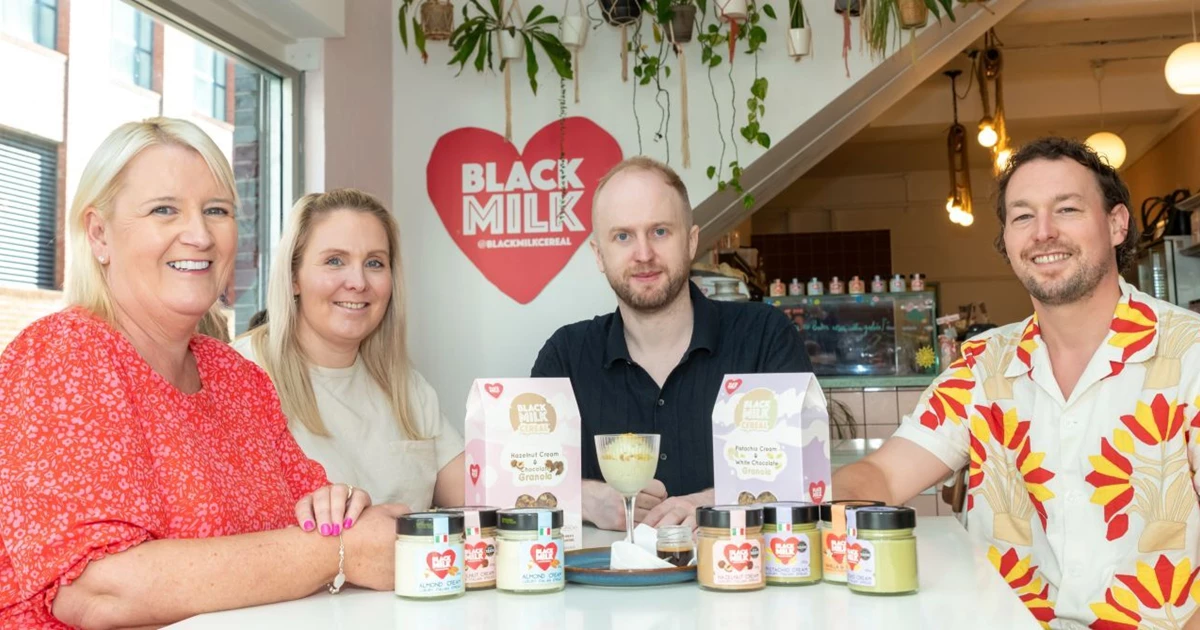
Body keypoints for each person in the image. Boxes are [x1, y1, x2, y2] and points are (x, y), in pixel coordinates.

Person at [0, 119, 402, 629]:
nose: (200, 235)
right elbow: (98, 591)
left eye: (217, 211)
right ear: (98, 234)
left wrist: (340, 511)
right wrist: (338, 551)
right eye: (164, 210)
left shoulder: (237, 377)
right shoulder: (63, 357)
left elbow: (317, 516)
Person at [833, 137, 1200, 628]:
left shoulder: (1190, 355)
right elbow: (882, 476)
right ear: (1007, 240)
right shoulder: (981, 367)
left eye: (1067, 208)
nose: (1043, 232)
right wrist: (817, 510)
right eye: (1023, 216)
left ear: (1116, 224)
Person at [531, 156, 813, 530]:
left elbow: (808, 471)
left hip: (738, 579)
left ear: (691, 241)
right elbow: (520, 480)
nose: (644, 253)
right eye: (622, 236)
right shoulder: (565, 356)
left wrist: (716, 504)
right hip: (605, 586)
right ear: (599, 255)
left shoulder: (764, 337)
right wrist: (584, 499)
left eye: (660, 231)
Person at [233, 189, 465, 511]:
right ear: (294, 277)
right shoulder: (238, 375)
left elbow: (479, 504)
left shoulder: (407, 387)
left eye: (374, 263)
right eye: (334, 261)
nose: (358, 281)